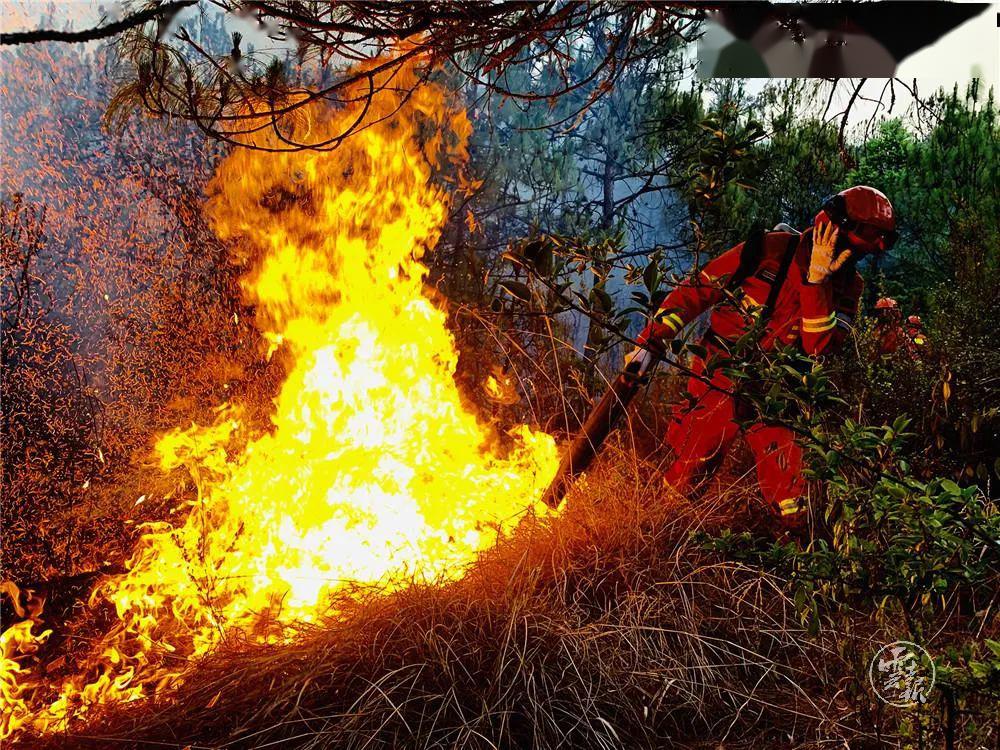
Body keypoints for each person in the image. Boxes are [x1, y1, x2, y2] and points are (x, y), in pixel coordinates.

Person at [627, 186, 897, 534]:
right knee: (690, 465)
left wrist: (817, 282)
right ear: (832, 225)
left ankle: (790, 569)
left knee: (790, 494)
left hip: (779, 392)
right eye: (867, 238)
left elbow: (819, 349)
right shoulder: (769, 249)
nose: (866, 251)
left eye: (877, 243)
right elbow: (698, 290)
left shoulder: (849, 288)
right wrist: (650, 341)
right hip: (720, 376)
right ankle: (654, 536)